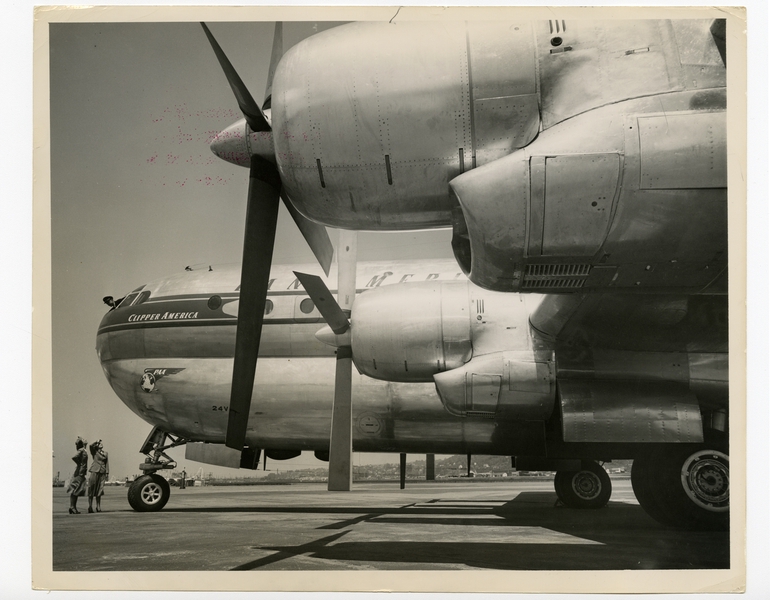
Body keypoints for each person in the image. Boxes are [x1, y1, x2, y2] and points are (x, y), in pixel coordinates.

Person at [66, 437, 88, 514]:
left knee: (77, 489)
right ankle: (72, 507)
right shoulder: (81, 450)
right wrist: (79, 463)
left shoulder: (84, 450)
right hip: (79, 472)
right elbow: (74, 457)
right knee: (75, 489)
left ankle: (73, 507)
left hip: (81, 472)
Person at [87, 440, 109, 513]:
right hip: (94, 470)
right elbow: (90, 446)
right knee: (92, 488)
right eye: (99, 444)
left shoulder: (106, 453)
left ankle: (98, 506)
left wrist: (107, 472)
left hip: (102, 471)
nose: (100, 444)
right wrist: (95, 442)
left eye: (100, 443)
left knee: (100, 489)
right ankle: (90, 506)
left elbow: (107, 463)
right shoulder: (94, 452)